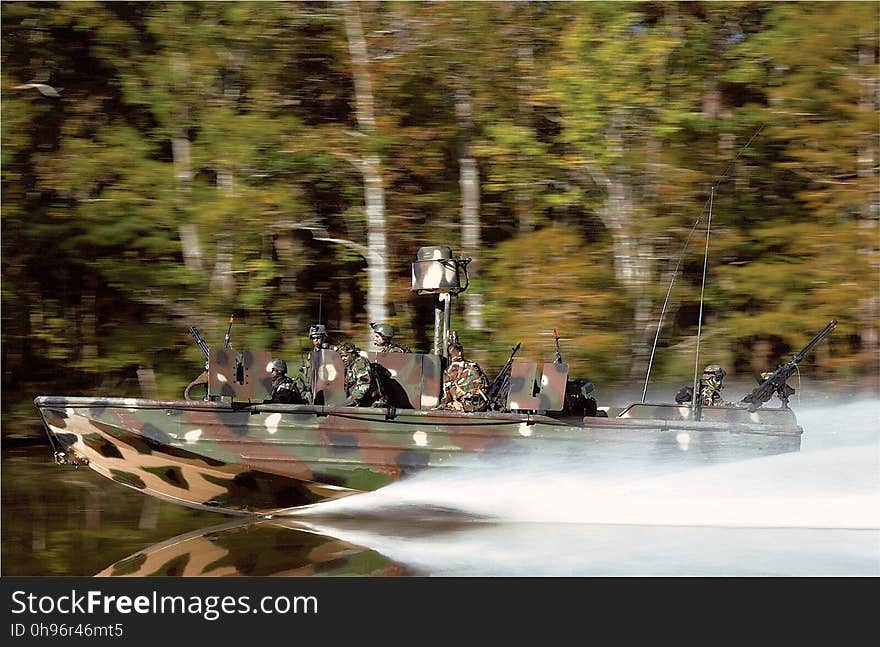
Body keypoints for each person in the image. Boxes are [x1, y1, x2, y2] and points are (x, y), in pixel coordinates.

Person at [438, 341, 489, 413]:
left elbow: (447, 396)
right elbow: (486, 384)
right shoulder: (474, 365)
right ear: (461, 352)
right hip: (480, 405)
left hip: (464, 407)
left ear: (450, 355)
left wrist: (444, 404)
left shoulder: (448, 371)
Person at [336, 342, 383, 407]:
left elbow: (364, 385)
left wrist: (350, 401)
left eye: (345, 356)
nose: (343, 359)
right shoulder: (351, 366)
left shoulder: (360, 363)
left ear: (353, 354)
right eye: (341, 356)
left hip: (371, 403)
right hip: (361, 402)